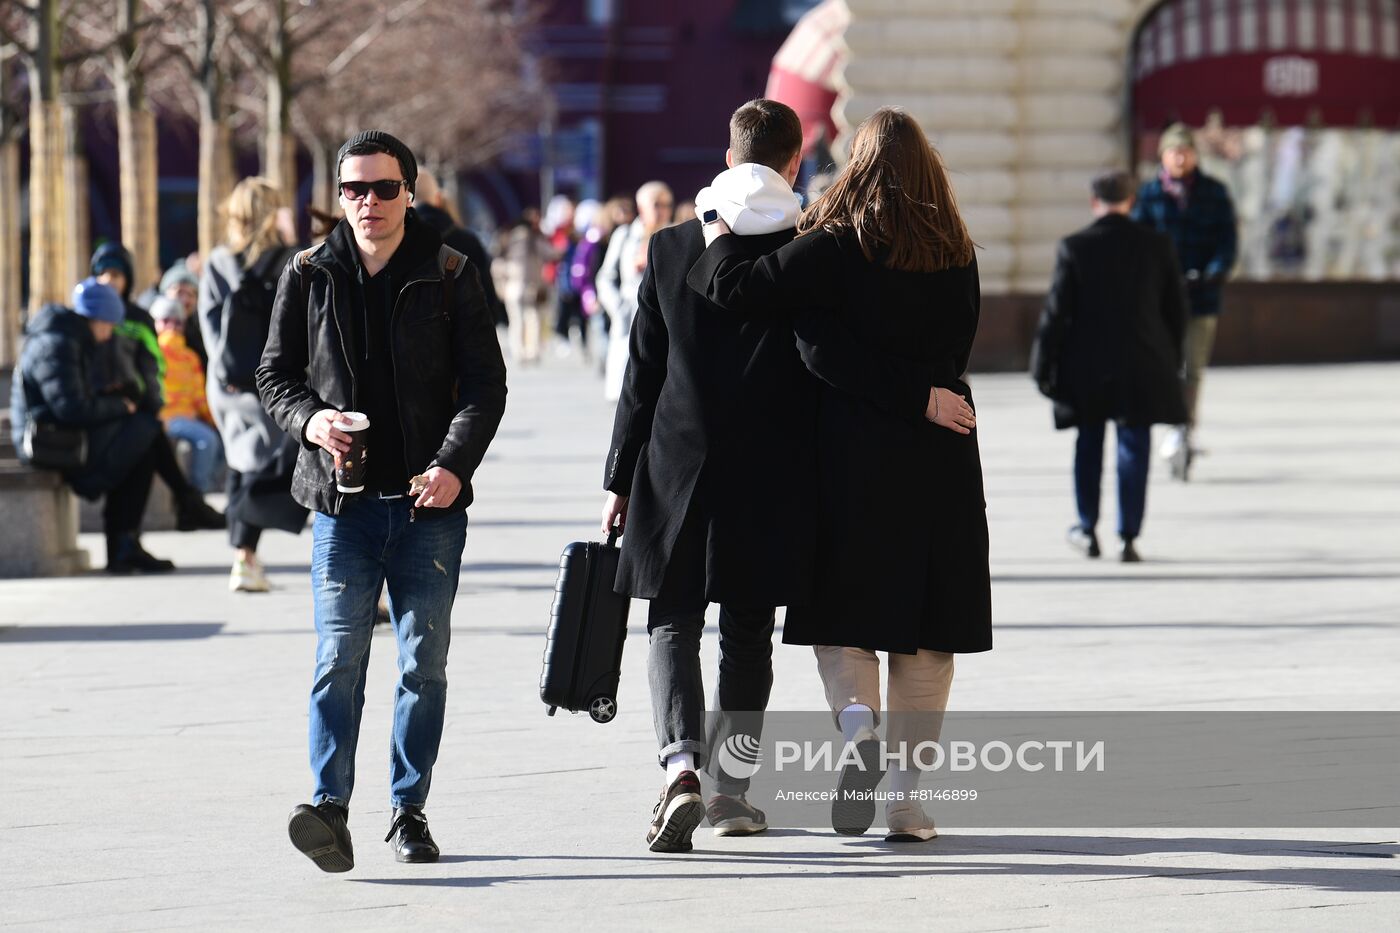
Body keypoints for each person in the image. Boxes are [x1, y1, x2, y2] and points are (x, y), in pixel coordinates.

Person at [602, 99, 973, 853]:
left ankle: (680, 767)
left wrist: (617, 477)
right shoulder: (822, 244)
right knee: (745, 634)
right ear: (796, 162)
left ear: (727, 152)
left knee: (672, 619)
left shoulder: (673, 246)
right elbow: (824, 349)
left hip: (675, 462)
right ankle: (733, 792)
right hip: (776, 469)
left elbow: (642, 372)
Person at [258, 130, 507, 871]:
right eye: (353, 190)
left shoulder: (451, 269)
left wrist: (454, 466)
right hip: (342, 506)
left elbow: (486, 385)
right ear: (337, 198)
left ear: (411, 190)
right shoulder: (307, 273)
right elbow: (274, 376)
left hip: (428, 505)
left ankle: (408, 809)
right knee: (339, 655)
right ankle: (329, 806)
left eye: (383, 188)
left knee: (422, 662)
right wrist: (312, 420)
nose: (368, 203)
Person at [1030, 171, 1189, 563]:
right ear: (1131, 202)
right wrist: (1171, 358)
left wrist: (1042, 365)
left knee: (1088, 445)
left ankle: (1087, 528)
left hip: (1087, 366)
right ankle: (1128, 536)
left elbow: (1056, 314)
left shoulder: (1074, 247)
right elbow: (1177, 312)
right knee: (1134, 446)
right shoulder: (1157, 245)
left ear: (1093, 202)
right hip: (1143, 361)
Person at [9, 280, 219, 573]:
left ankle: (128, 542)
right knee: (144, 431)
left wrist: (114, 397)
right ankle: (142, 530)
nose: (109, 335)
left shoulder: (69, 338)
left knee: (143, 442)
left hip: (61, 435)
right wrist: (120, 406)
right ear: (96, 319)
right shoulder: (57, 344)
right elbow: (70, 409)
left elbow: (72, 401)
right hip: (48, 444)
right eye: (109, 326)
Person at [199, 177, 307, 593]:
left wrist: (224, 372)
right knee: (263, 461)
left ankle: (244, 557)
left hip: (227, 381)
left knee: (243, 459)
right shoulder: (290, 258)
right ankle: (245, 554)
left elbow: (209, 324)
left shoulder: (219, 260)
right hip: (273, 377)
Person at [1131, 123, 1237, 481]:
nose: (1180, 157)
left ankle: (1184, 427)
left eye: (1186, 151)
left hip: (1202, 297)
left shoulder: (1214, 193)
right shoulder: (1148, 195)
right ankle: (1171, 421)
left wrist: (1213, 272)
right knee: (1166, 365)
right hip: (1161, 300)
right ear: (1163, 155)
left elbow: (1228, 242)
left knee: (1194, 368)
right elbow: (1138, 243)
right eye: (1173, 151)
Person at [598, 181, 672, 400]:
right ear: (641, 207)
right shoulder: (626, 235)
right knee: (627, 396)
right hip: (629, 315)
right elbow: (605, 277)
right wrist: (617, 307)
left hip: (664, 319)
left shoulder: (676, 235)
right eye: (656, 205)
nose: (662, 211)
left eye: (667, 205)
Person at [411, 170, 506, 329]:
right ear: (438, 199)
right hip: (462, 337)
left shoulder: (398, 242)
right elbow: (487, 301)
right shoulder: (468, 241)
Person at [150, 296, 224, 494]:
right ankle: (196, 494)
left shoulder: (190, 357)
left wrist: (214, 420)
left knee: (220, 439)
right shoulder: (153, 351)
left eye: (177, 322)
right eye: (166, 320)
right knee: (207, 440)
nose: (172, 326)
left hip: (187, 418)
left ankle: (201, 489)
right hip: (166, 418)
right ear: (155, 322)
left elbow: (199, 395)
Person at [495, 208, 553, 365]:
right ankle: (531, 351)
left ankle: (518, 351)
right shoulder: (534, 239)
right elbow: (551, 253)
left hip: (511, 286)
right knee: (532, 317)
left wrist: (501, 284)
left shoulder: (507, 239)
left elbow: (497, 263)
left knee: (516, 320)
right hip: (530, 286)